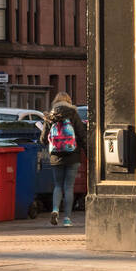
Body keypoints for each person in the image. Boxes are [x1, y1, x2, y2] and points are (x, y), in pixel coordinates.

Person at [41, 92, 86, 227]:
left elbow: (43, 139)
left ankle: (55, 210)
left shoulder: (50, 116)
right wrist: (89, 152)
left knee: (58, 185)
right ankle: (67, 219)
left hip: (56, 155)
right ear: (69, 101)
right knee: (69, 187)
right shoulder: (73, 114)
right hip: (73, 155)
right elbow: (82, 135)